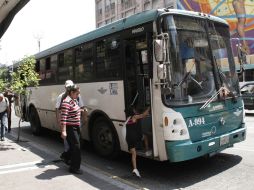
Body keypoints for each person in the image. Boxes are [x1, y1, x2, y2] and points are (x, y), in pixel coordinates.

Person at [55, 80, 85, 164]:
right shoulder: (63, 98)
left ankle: (66, 156)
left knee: (76, 144)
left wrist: (84, 115)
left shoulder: (76, 97)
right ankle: (70, 160)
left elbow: (81, 106)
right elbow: (60, 112)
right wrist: (62, 127)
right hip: (69, 125)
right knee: (71, 144)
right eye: (68, 87)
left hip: (76, 123)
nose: (69, 88)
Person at [60, 85, 83, 174]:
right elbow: (63, 118)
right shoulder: (66, 102)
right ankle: (74, 168)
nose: (78, 95)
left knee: (75, 146)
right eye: (77, 93)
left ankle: (65, 156)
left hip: (76, 127)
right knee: (76, 147)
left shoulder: (74, 100)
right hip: (70, 128)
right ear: (72, 93)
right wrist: (64, 131)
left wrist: (81, 110)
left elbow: (73, 111)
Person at [125, 106, 150, 178]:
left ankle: (135, 169)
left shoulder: (128, 118)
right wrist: (148, 108)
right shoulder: (134, 117)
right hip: (135, 137)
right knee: (145, 137)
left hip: (128, 138)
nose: (135, 110)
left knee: (134, 153)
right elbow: (143, 115)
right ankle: (147, 150)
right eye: (134, 109)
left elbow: (142, 116)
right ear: (133, 111)